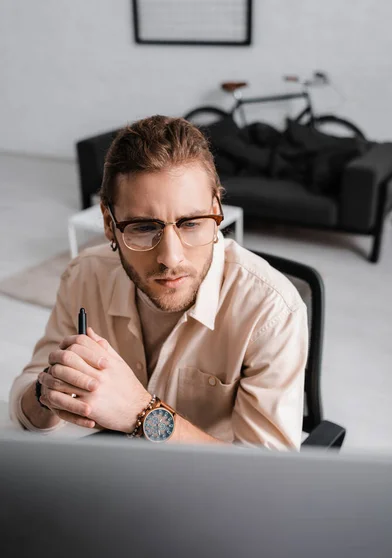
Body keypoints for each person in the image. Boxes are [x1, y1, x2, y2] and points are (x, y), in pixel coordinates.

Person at [9, 115, 308, 449]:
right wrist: (46, 391)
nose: (171, 257)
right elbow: (25, 409)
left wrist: (143, 413)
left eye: (192, 223)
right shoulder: (84, 275)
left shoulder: (271, 311)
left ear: (217, 211)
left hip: (210, 487)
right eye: (143, 227)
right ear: (109, 224)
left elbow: (265, 482)